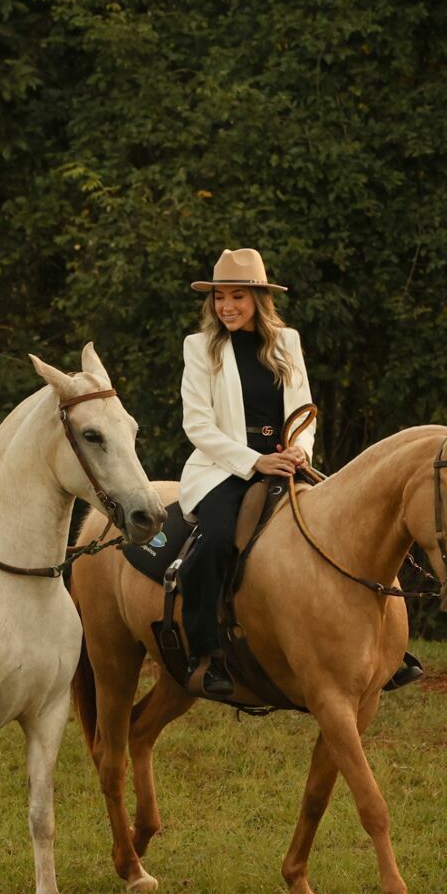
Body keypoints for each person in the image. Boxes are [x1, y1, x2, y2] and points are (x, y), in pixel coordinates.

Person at [176, 248, 314, 700]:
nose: (226, 306)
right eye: (219, 297)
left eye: (237, 295)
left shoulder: (286, 342)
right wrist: (255, 461)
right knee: (215, 540)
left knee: (349, 522)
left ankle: (379, 648)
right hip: (225, 468)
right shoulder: (199, 348)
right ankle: (206, 656)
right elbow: (197, 425)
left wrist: (299, 450)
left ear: (258, 298)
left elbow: (304, 412)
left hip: (286, 461)